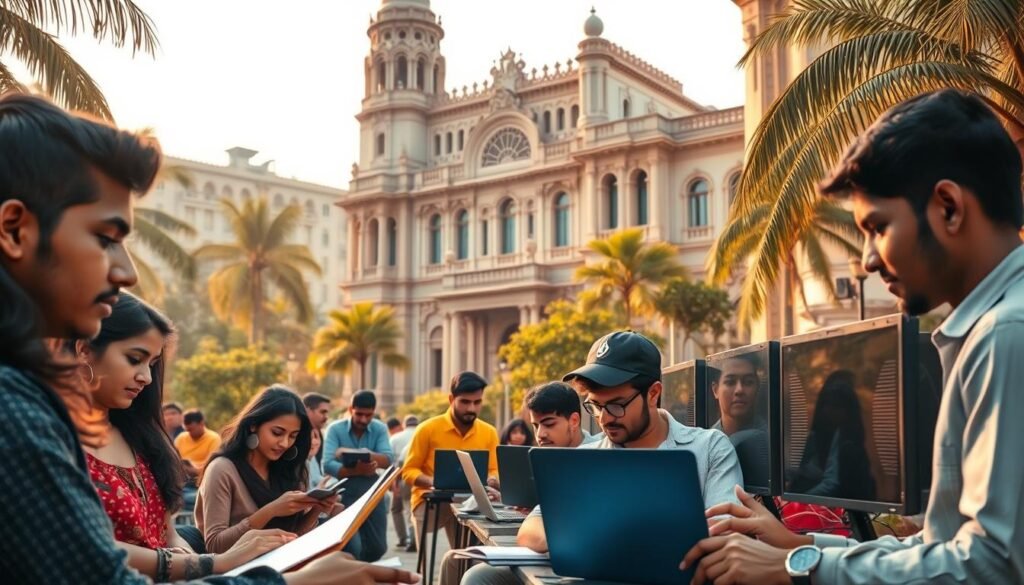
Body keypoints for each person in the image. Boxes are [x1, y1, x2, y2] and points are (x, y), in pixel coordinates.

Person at [0, 93, 414, 584]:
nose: (126, 272)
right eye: (105, 238)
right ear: (15, 230)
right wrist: (297, 581)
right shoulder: (15, 408)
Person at [682, 89, 1024, 584]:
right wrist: (803, 546)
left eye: (878, 227)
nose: (866, 259)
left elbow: (994, 565)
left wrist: (797, 569)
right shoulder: (991, 330)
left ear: (948, 207)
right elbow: (947, 546)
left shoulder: (1005, 335)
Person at [76, 292, 294, 576]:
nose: (147, 377)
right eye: (134, 359)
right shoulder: (52, 440)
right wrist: (212, 563)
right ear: (84, 351)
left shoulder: (143, 439)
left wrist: (191, 559)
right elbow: (91, 548)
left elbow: (169, 535)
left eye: (152, 364)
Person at [516, 331, 743, 555]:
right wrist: (576, 534)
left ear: (653, 394)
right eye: (595, 406)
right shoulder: (582, 459)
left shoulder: (710, 449)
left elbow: (725, 534)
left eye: (617, 405)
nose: (604, 418)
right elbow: (530, 528)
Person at [446, 381, 597, 585]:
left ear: (574, 420)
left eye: (549, 424)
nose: (540, 434)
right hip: (541, 550)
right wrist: (513, 498)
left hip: (579, 560)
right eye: (536, 425)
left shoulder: (596, 455)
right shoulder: (544, 456)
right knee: (472, 574)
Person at [197, 386, 338, 554]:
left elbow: (294, 536)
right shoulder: (222, 469)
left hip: (283, 561)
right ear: (253, 425)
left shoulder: (289, 469)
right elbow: (215, 545)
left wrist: (317, 508)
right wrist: (271, 510)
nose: (285, 443)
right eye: (277, 433)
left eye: (293, 436)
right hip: (239, 570)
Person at [401, 371, 499, 550]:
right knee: (427, 566)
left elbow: (494, 469)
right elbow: (409, 471)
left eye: (477, 402)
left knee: (468, 557)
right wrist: (434, 482)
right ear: (451, 399)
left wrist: (491, 480)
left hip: (470, 501)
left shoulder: (489, 432)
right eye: (465, 402)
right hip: (430, 501)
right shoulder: (427, 429)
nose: (471, 409)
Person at [323, 390, 394, 562]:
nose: (363, 420)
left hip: (372, 490)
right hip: (343, 490)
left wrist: (361, 454)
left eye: (368, 415)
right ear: (350, 409)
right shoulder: (335, 429)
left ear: (374, 412)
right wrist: (357, 471)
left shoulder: (380, 428)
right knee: (351, 545)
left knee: (378, 547)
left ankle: (360, 569)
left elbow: (388, 458)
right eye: (359, 414)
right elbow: (328, 464)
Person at [787, 370, 875, 500]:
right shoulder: (818, 433)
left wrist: (795, 500)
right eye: (825, 405)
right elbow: (794, 469)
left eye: (836, 406)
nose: (828, 411)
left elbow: (831, 484)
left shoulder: (847, 441)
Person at [708, 354, 770, 488]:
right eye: (730, 382)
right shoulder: (706, 443)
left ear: (757, 387)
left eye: (748, 382)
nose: (739, 390)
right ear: (715, 390)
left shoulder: (776, 444)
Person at [389, 414, 419, 551]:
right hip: (424, 478)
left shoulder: (395, 438)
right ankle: (415, 538)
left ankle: (407, 538)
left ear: (404, 425)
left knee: (401, 508)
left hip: (404, 478)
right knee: (415, 509)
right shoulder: (422, 435)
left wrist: (394, 483)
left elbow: (395, 463)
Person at [175, 408, 222, 480]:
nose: (189, 433)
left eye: (191, 430)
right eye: (187, 430)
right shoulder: (181, 438)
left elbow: (213, 465)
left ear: (202, 423)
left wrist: (193, 469)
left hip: (204, 478)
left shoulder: (214, 439)